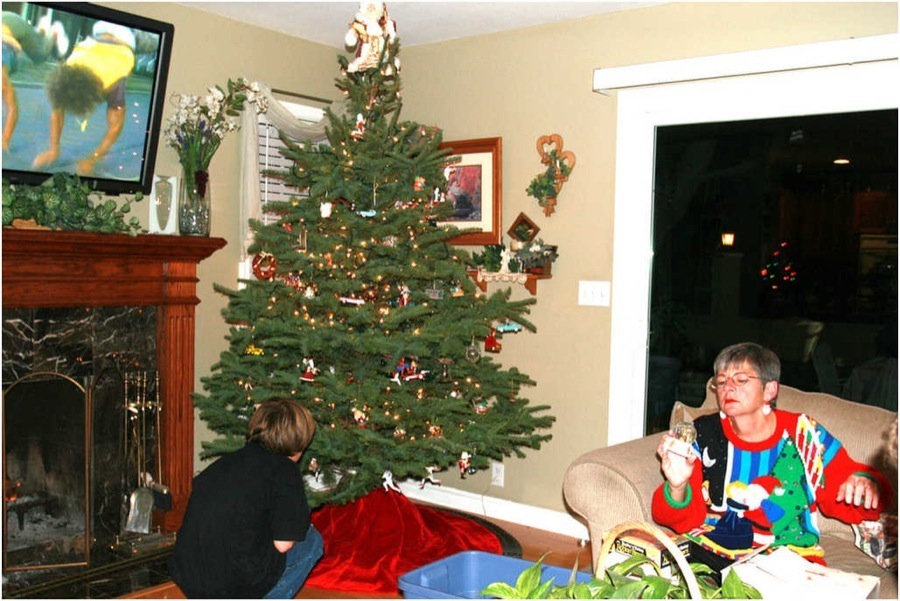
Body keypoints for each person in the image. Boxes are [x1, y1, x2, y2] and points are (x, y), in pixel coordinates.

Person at [652, 342, 893, 563]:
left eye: (742, 379)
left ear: (769, 390)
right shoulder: (703, 433)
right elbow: (679, 520)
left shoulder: (804, 433)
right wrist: (677, 485)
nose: (728, 387)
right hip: (715, 553)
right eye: (722, 381)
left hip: (787, 560)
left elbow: (847, 495)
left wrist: (866, 488)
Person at [169, 399, 324, 598]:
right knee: (311, 541)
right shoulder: (285, 470)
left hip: (189, 574)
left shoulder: (225, 463)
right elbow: (283, 545)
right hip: (234, 582)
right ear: (300, 442)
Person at [32, 20, 135, 175]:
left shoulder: (113, 79)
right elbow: (57, 112)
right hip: (99, 31)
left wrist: (93, 158)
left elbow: (116, 126)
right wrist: (53, 149)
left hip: (125, 38)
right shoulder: (71, 66)